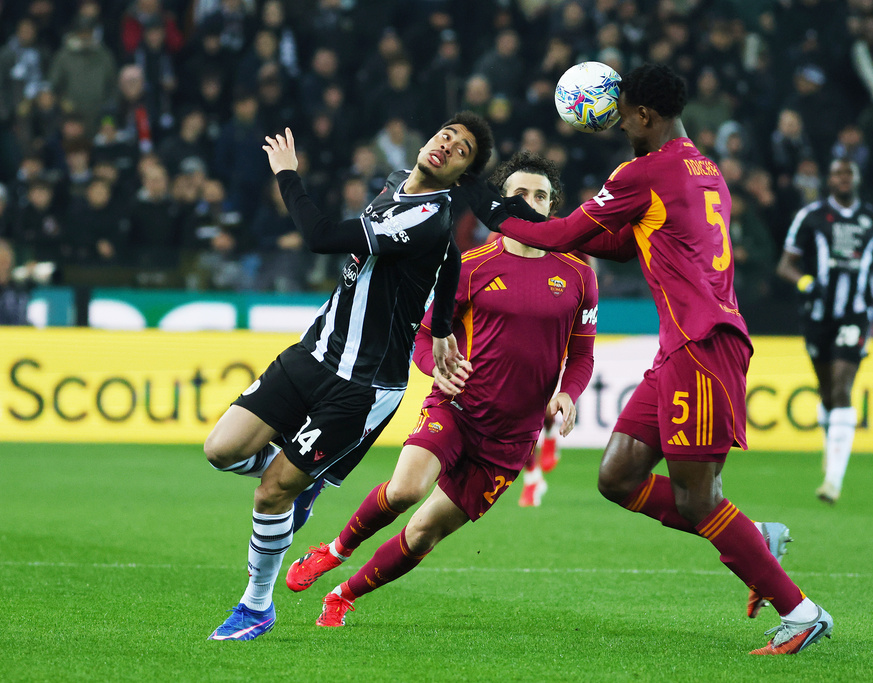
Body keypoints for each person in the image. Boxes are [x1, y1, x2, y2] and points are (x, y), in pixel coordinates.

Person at [456, 63, 832, 655]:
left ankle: (802, 612)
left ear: (646, 116)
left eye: (623, 111)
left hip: (703, 345)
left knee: (696, 498)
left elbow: (560, 237)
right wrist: (563, 226)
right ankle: (754, 540)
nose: (615, 120)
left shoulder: (645, 170)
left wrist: (483, 198)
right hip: (682, 347)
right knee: (618, 476)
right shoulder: (704, 170)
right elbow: (625, 243)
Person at [204, 111, 494, 641]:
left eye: (462, 150)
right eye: (445, 135)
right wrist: (445, 324)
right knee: (221, 450)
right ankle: (305, 476)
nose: (447, 146)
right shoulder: (394, 189)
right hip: (311, 354)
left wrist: (287, 174)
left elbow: (318, 237)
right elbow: (450, 258)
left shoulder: (427, 215)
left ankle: (256, 605)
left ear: (460, 176)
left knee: (271, 494)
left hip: (362, 385)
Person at [282, 150, 598, 626]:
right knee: (408, 490)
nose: (530, 201)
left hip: (511, 438)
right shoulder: (471, 265)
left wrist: (569, 394)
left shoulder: (578, 276)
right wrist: (437, 369)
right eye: (519, 193)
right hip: (457, 409)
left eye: (540, 195)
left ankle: (343, 596)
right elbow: (424, 334)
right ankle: (334, 549)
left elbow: (582, 354)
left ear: (553, 207)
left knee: (424, 533)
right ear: (502, 203)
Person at [776, 158, 873, 505]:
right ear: (829, 180)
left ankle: (833, 481)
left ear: (857, 178)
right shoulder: (811, 217)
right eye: (838, 173)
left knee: (842, 388)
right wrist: (805, 282)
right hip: (817, 314)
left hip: (856, 313)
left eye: (849, 173)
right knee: (827, 392)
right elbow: (786, 263)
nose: (843, 178)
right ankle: (831, 449)